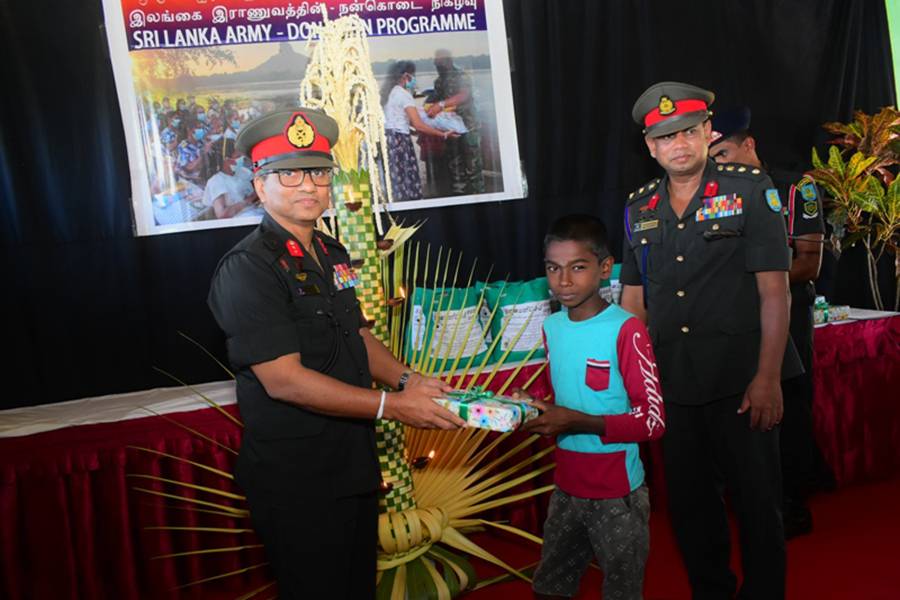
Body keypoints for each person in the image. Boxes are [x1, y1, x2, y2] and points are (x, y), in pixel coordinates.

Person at [207, 107, 466, 600]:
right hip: (298, 480)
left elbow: (359, 335)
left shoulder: (331, 253)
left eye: (319, 172)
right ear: (260, 186)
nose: (308, 184)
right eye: (289, 172)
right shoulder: (247, 269)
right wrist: (394, 406)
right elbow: (284, 380)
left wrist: (408, 381)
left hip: (352, 464)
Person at [621, 82, 802, 600]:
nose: (678, 144)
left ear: (707, 133)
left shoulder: (750, 189)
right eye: (665, 137)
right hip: (675, 382)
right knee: (691, 506)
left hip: (742, 378)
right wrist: (639, 385)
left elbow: (774, 292)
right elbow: (634, 303)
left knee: (758, 503)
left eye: (688, 132)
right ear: (651, 147)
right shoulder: (639, 207)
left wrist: (768, 378)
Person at [518, 214, 664, 600]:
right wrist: (533, 409)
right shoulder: (553, 327)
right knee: (551, 583)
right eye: (553, 268)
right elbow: (567, 402)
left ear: (604, 268)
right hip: (567, 481)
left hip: (617, 490)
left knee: (621, 588)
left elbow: (652, 421)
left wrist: (575, 421)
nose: (563, 281)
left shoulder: (626, 329)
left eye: (577, 268)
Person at [709, 106, 827, 539]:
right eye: (711, 157)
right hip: (734, 318)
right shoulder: (712, 194)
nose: (717, 165)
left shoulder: (796, 189)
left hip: (789, 313)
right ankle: (751, 496)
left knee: (790, 406)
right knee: (740, 408)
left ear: (749, 145)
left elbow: (808, 264)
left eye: (722, 153)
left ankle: (793, 500)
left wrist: (743, 278)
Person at [380, 61, 461, 201]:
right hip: (400, 143)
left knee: (395, 181)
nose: (415, 79)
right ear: (406, 76)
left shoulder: (389, 93)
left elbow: (395, 121)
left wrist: (413, 132)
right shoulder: (404, 95)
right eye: (414, 75)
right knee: (407, 181)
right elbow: (419, 125)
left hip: (388, 140)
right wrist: (444, 134)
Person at [425, 49, 484, 195]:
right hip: (451, 129)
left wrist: (442, 105)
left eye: (440, 62)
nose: (437, 65)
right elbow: (435, 100)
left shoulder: (461, 76)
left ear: (448, 60)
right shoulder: (438, 81)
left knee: (473, 166)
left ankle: (480, 198)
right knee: (455, 166)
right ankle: (461, 197)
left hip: (468, 126)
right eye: (435, 62)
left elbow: (463, 95)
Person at [202, 137, 258, 219]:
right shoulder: (216, 181)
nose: (241, 158)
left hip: (254, 212)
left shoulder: (242, 171)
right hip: (240, 221)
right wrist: (248, 201)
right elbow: (222, 214)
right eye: (238, 156)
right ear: (227, 160)